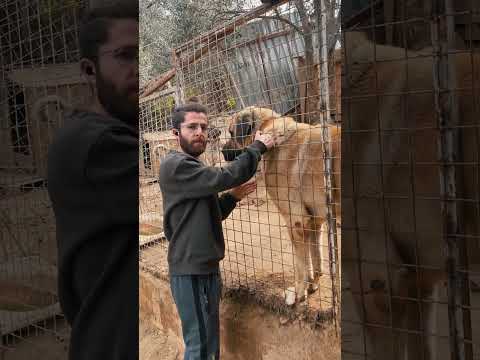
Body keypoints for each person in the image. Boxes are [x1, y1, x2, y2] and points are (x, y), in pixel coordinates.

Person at [46, 3, 138, 359]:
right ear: (89, 69)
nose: (141, 68)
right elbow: (181, 189)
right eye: (126, 56)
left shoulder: (92, 131)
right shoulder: (99, 145)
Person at [159, 102, 274, 360]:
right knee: (200, 348)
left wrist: (231, 198)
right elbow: (226, 175)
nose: (200, 132)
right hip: (191, 272)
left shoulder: (193, 170)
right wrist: (258, 147)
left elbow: (212, 214)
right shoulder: (175, 165)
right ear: (175, 133)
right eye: (192, 127)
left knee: (210, 346)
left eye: (204, 127)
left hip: (207, 269)